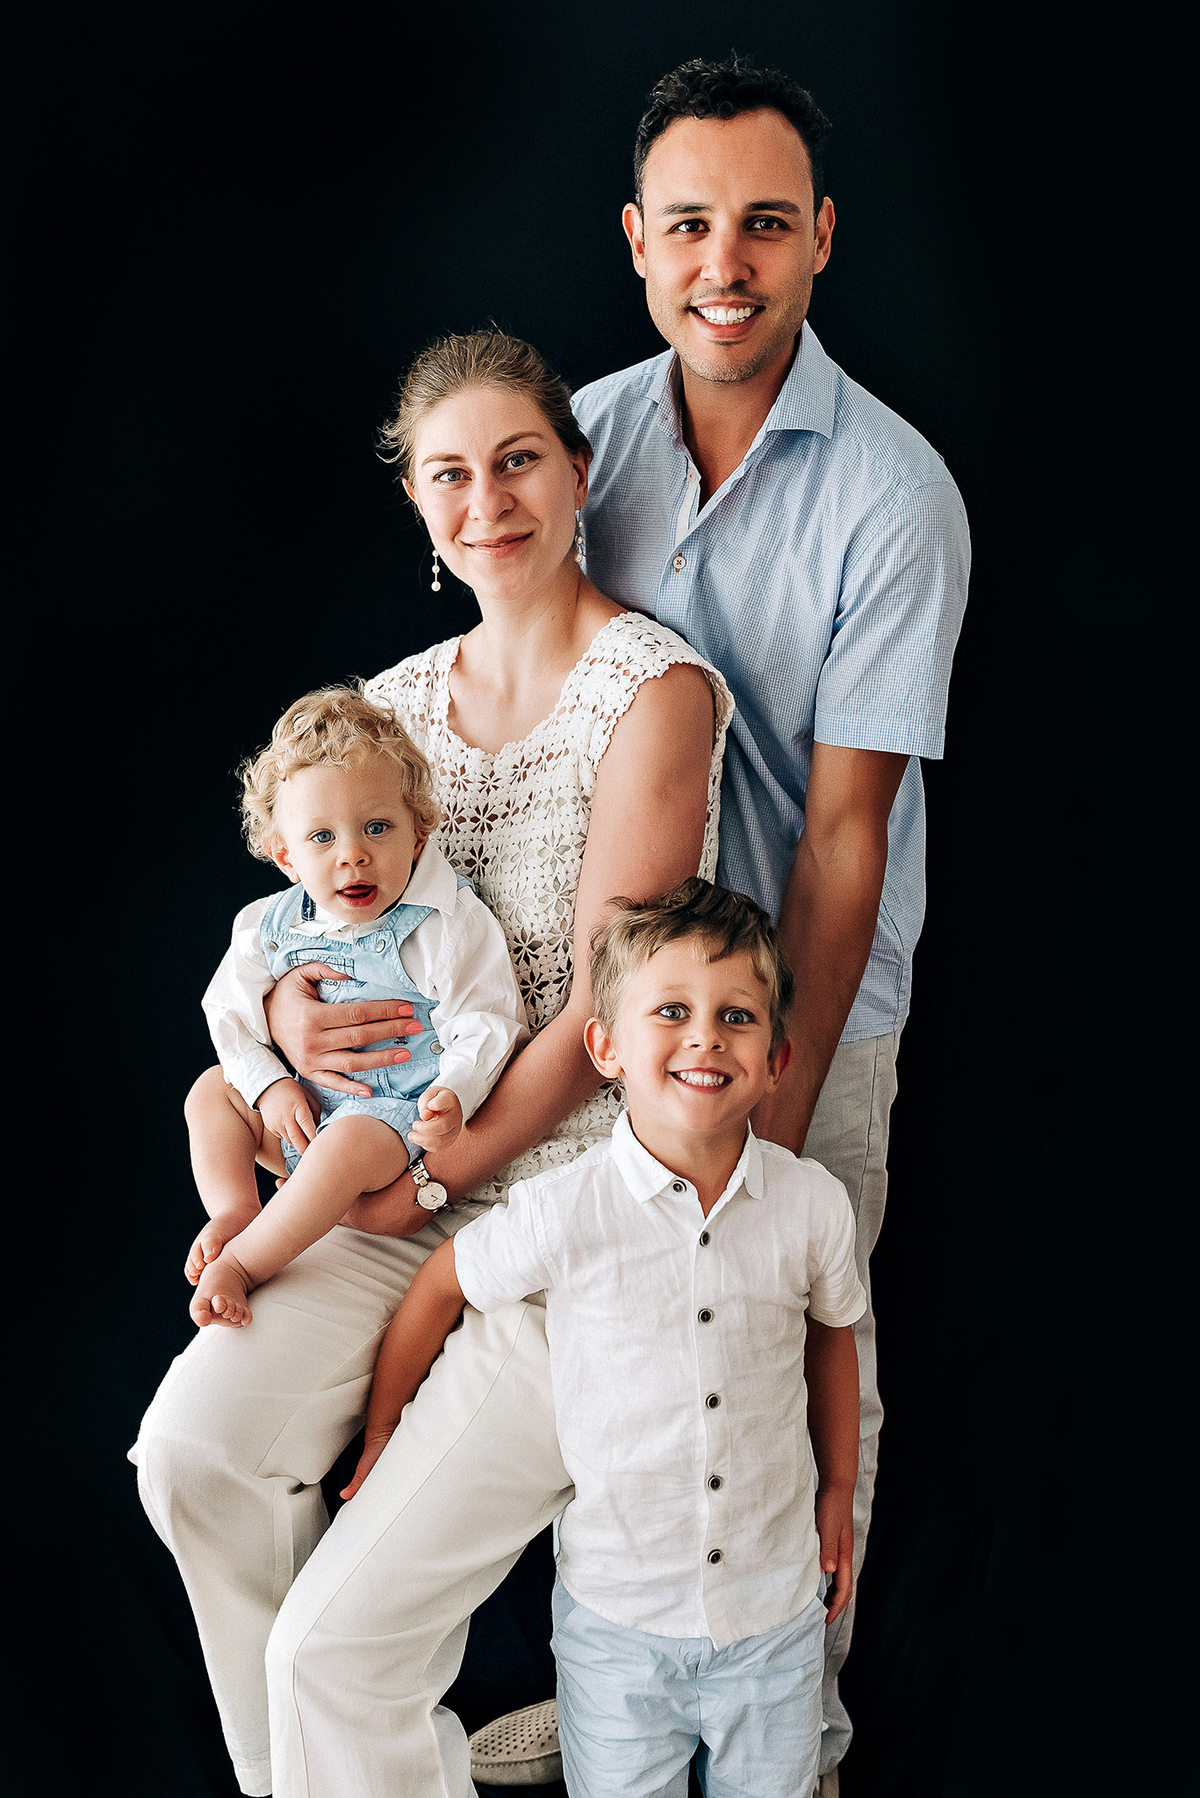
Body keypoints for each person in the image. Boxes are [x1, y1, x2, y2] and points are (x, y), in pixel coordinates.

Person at [130, 328, 733, 1798]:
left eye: (518, 461)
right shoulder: (386, 712)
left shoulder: (654, 688)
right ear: (415, 501)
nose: (487, 502)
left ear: (578, 472)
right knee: (194, 1455)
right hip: (376, 1178)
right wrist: (283, 1031)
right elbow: (297, 932)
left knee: (332, 1654)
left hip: (557, 1197)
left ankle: (347, 1739)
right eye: (450, 475)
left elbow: (605, 1011)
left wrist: (436, 1167)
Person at [548, 54, 971, 1792]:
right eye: (693, 225)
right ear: (639, 240)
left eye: (768, 226)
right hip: (612, 1007)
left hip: (807, 1012)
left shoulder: (896, 494)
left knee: (794, 1360)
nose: (727, 264)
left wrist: (767, 1107)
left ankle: (803, 1732)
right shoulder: (582, 439)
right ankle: (623, 1693)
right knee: (616, 1364)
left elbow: (847, 840)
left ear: (822, 242)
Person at [338, 878, 866, 1798]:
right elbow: (441, 1282)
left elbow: (832, 1336)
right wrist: (383, 1430)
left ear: (777, 1059)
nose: (706, 1037)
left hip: (772, 1619)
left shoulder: (810, 1204)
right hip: (617, 1630)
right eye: (672, 1011)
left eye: (737, 1017)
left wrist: (838, 1487)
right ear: (606, 1047)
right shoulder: (563, 1210)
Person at [184, 684, 528, 1328]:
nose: (353, 855)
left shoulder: (444, 921)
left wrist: (453, 1096)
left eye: (376, 827)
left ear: (419, 831)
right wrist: (268, 1088)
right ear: (285, 856)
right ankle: (236, 1211)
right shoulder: (270, 925)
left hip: (388, 1122)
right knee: (209, 1093)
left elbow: (486, 1023)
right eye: (322, 837)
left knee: (343, 1146)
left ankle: (246, 1264)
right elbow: (226, 1013)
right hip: (301, 1115)